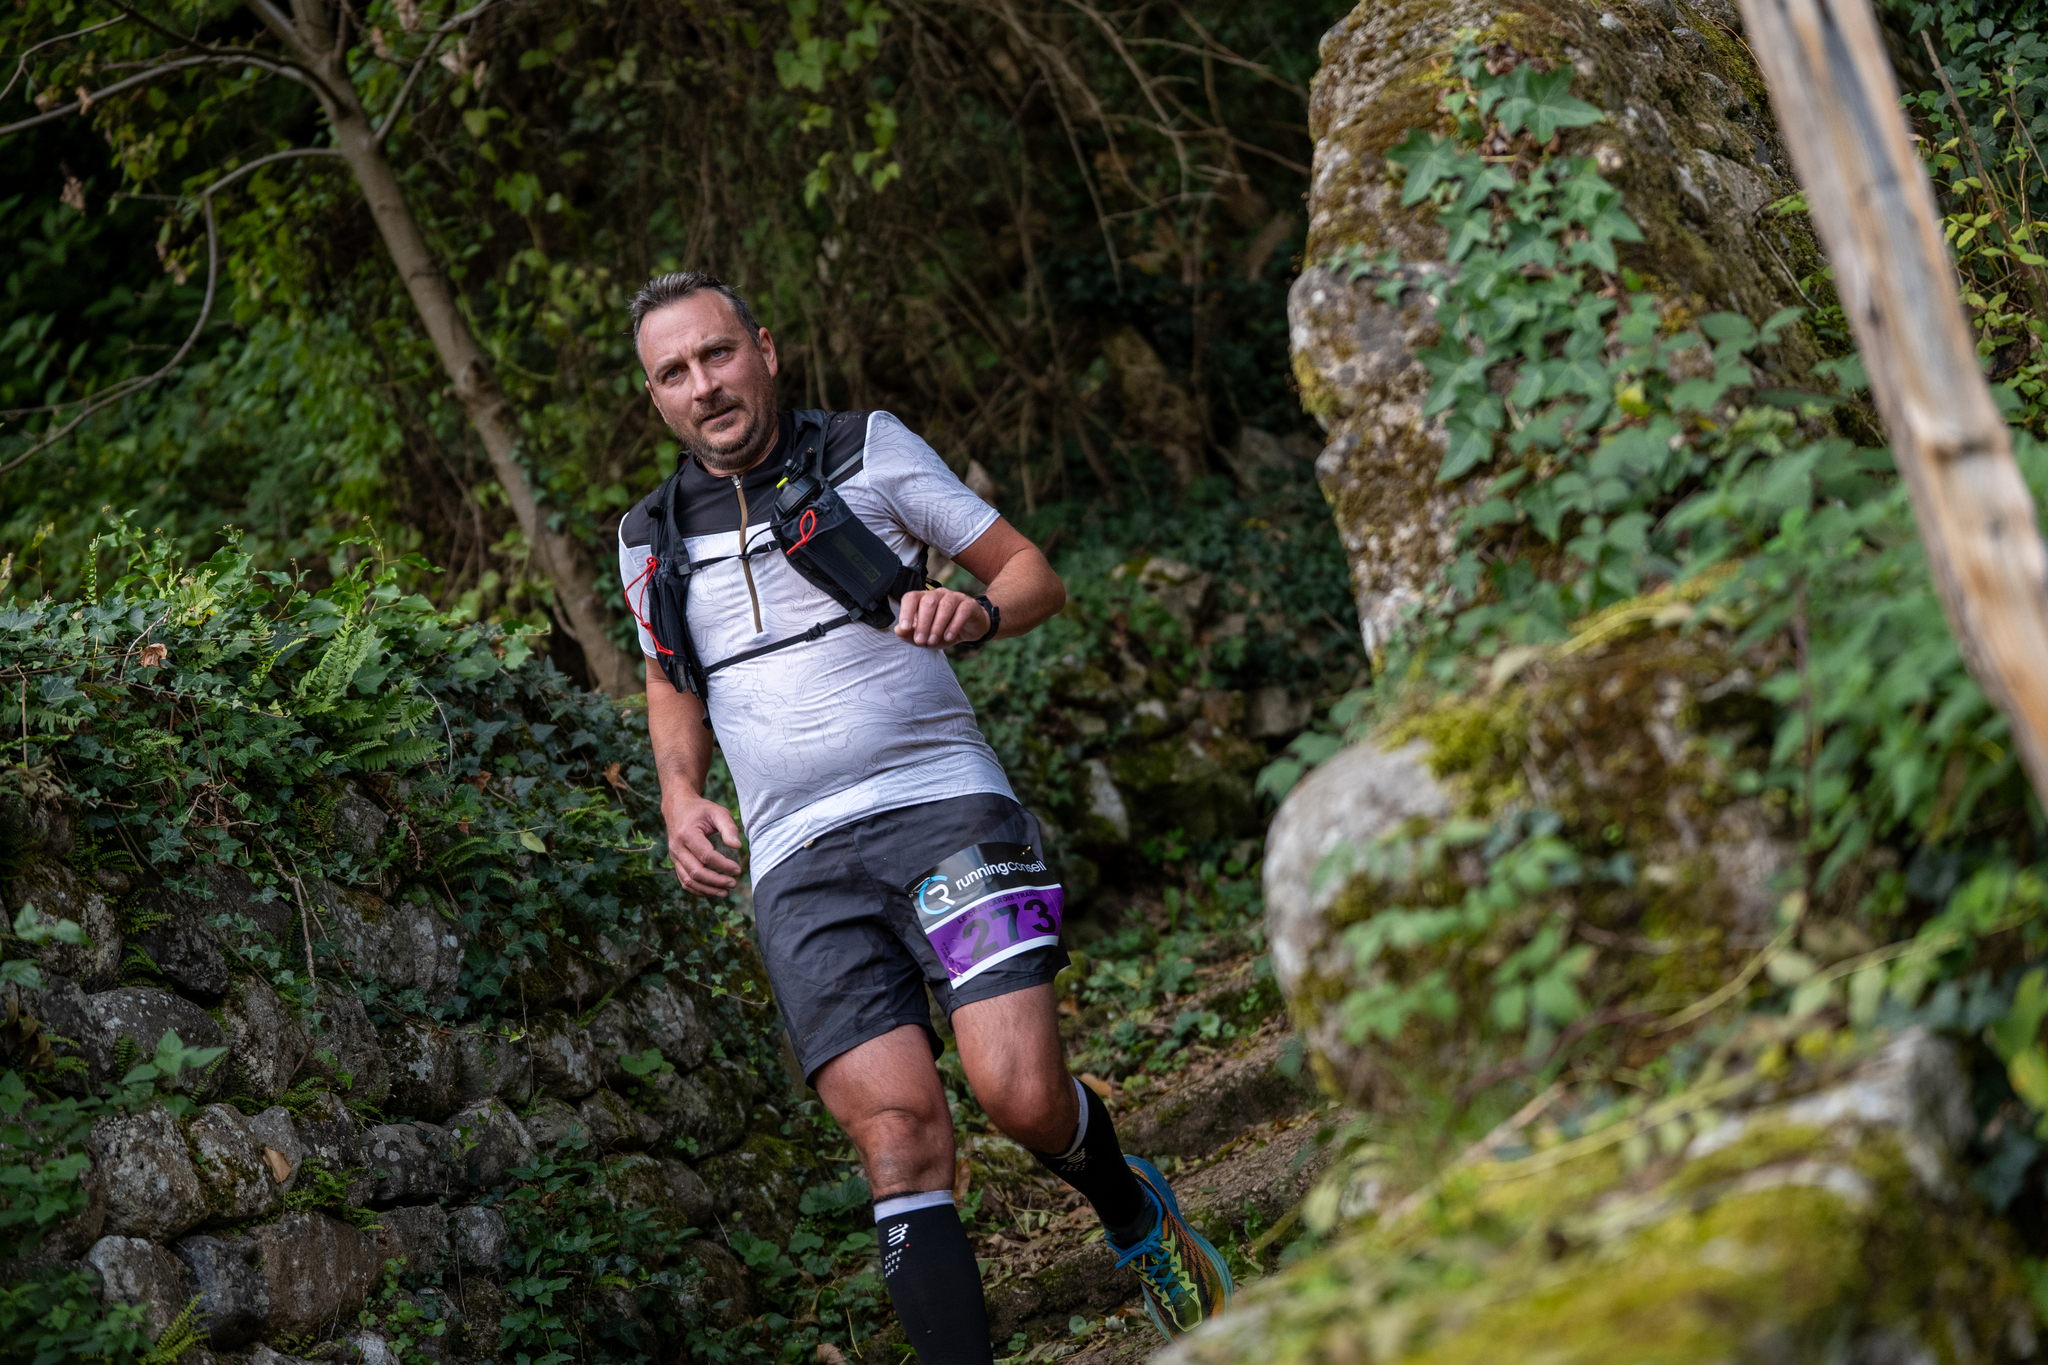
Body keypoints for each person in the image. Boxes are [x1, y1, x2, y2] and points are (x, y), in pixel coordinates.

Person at [615, 271, 1232, 1360]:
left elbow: (1031, 574)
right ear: (656, 397)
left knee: (1020, 1096)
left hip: (944, 810)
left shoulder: (869, 451)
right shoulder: (647, 536)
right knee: (896, 1142)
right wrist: (677, 793)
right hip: (797, 866)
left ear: (764, 349)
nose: (703, 385)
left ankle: (1134, 1212)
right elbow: (671, 679)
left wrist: (977, 612)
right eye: (674, 372)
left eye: (717, 354)